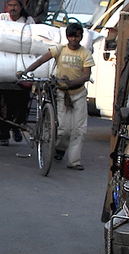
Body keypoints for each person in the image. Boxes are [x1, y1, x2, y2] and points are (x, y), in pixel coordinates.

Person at [21, 21, 94, 170]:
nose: (74, 39)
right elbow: (41, 60)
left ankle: (74, 161)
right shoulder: (59, 50)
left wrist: (71, 83)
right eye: (71, 36)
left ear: (81, 37)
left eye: (77, 36)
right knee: (63, 129)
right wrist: (25, 72)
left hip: (78, 94)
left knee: (79, 129)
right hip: (62, 93)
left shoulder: (85, 53)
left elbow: (86, 75)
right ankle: (59, 149)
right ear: (67, 37)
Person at [0, 0, 33, 145]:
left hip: (21, 65)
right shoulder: (1, 19)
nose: (13, 8)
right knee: (2, 99)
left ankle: (17, 126)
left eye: (16, 5)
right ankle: (3, 130)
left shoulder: (28, 21)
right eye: (10, 5)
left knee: (23, 99)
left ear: (21, 6)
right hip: (3, 65)